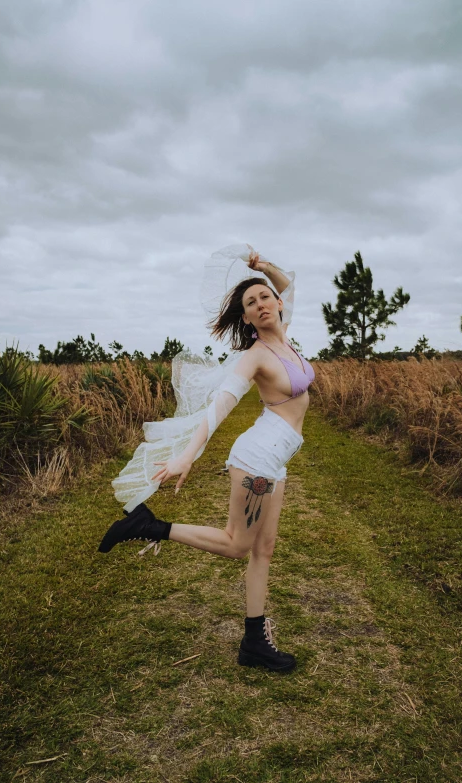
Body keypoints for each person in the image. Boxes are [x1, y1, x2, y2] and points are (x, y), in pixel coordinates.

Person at [97, 246, 315, 673]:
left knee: (264, 549)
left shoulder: (284, 335)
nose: (261, 304)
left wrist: (262, 268)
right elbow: (221, 405)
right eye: (251, 303)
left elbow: (291, 284)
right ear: (247, 318)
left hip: (279, 458)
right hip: (258, 458)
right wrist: (187, 455)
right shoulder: (255, 356)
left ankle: (254, 642)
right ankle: (148, 525)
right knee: (239, 544)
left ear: (276, 303)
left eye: (265, 297)